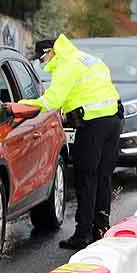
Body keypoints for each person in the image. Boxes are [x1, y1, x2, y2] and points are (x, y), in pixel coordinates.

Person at [20, 35, 122, 250]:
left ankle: (83, 233)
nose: (43, 63)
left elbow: (51, 101)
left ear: (51, 52)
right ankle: (101, 227)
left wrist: (20, 105)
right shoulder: (87, 58)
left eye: (42, 58)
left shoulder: (66, 66)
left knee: (86, 178)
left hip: (93, 124)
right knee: (103, 177)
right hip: (113, 121)